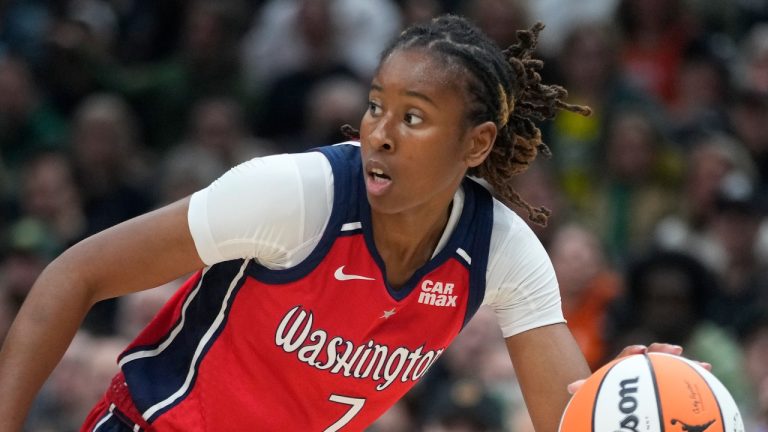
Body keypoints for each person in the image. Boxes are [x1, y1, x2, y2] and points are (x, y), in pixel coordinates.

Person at [0, 14, 686, 432]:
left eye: (413, 116)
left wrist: (626, 394)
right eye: (376, 105)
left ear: (475, 145)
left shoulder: (500, 250)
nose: (380, 132)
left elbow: (567, 420)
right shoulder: (294, 195)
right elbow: (76, 273)